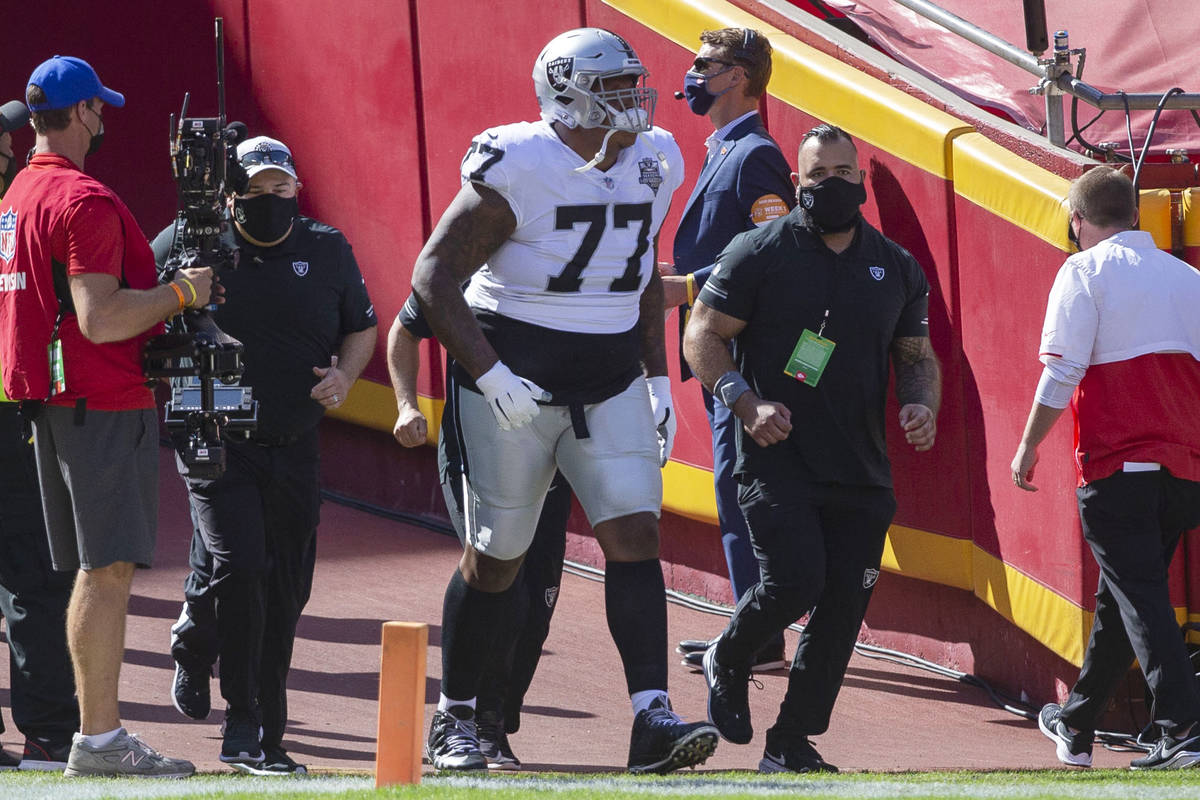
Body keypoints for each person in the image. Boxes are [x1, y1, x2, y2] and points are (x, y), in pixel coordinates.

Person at [411, 27, 719, 774]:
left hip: (608, 374)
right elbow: (431, 277)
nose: (631, 99)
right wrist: (489, 373)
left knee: (636, 536)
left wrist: (654, 378)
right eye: (614, 86)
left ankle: (652, 717)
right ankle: (454, 718)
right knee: (497, 558)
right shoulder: (520, 161)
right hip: (514, 371)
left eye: (630, 84)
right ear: (567, 89)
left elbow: (643, 273)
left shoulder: (657, 158)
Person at [683, 124, 940, 773]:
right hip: (778, 456)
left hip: (862, 469)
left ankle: (791, 741)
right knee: (796, 580)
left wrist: (920, 403)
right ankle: (730, 655)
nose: (833, 184)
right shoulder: (759, 251)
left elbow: (916, 356)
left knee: (841, 610)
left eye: (844, 173)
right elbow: (702, 335)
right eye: (818, 175)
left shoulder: (895, 266)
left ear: (861, 178)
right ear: (797, 183)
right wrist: (745, 401)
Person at [0, 55, 214, 778]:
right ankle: (99, 740)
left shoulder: (22, 191)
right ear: (85, 112)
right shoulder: (81, 199)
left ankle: (93, 735)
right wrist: (183, 293)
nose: (105, 119)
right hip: (101, 401)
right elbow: (100, 316)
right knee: (106, 570)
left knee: (89, 571)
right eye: (101, 108)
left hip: (52, 404)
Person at [155, 135, 377, 775]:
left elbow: (361, 323)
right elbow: (131, 300)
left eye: (281, 188)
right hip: (215, 440)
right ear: (230, 193)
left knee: (285, 587)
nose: (271, 200)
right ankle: (247, 729)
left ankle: (199, 644)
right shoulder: (195, 243)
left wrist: (344, 378)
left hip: (295, 442)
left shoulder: (326, 247)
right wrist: (182, 310)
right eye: (256, 189)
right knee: (244, 568)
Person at [1013, 167, 1200, 771]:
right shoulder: (1188, 277)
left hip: (1117, 467)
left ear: (1077, 221)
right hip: (1183, 471)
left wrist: (1027, 446)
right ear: (1136, 215)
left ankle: (1182, 727)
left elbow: (1061, 370)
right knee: (1124, 595)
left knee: (1138, 595)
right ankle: (1078, 720)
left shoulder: (1082, 271)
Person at [387, 293, 569, 770]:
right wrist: (406, 406)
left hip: (556, 451)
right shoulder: (464, 263)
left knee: (540, 594)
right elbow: (401, 333)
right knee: (502, 584)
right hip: (478, 453)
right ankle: (466, 721)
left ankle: (497, 718)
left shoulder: (575, 264)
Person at [664, 27, 794, 673]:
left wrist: (686, 286)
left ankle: (759, 638)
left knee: (741, 493)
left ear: (739, 75)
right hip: (722, 353)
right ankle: (753, 630)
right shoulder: (726, 150)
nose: (691, 75)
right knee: (730, 493)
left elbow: (775, 253)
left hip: (742, 360)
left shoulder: (754, 155)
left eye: (704, 65)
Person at [0, 97, 80, 773]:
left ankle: (51, 731)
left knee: (36, 579)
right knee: (35, 577)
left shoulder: (20, 208)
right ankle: (51, 731)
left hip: (19, 413)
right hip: (19, 416)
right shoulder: (22, 209)